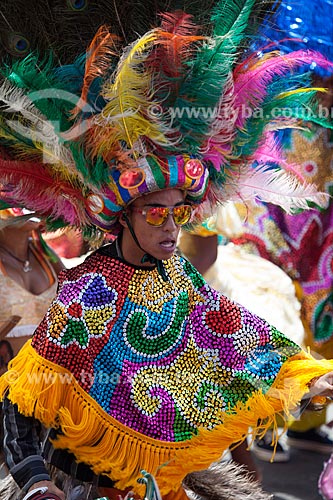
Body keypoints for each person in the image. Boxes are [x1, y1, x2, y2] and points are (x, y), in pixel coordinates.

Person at [1, 3, 333, 499]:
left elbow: (235, 337)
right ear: (124, 218)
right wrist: (35, 480)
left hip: (166, 480)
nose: (171, 227)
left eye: (179, 212)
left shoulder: (175, 274)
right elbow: (24, 400)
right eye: (156, 211)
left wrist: (309, 381)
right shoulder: (91, 292)